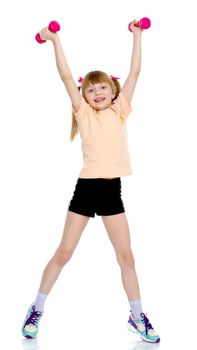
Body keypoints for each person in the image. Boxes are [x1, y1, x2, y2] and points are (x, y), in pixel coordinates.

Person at [22, 20, 160, 343]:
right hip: (86, 190)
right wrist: (54, 40)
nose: (97, 93)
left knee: (127, 257)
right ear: (85, 94)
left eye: (103, 88)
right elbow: (66, 76)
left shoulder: (120, 110)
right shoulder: (82, 112)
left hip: (112, 191)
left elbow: (135, 72)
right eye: (91, 89)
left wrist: (137, 34)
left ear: (113, 92)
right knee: (64, 253)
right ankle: (36, 308)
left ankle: (137, 316)